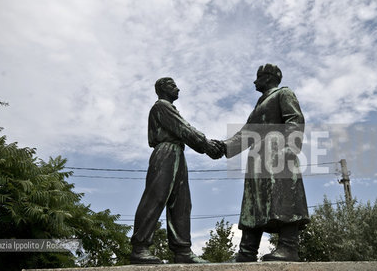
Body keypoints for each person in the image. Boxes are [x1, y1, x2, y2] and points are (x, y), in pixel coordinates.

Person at [130, 77, 223, 264]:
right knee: (155, 198)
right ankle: (140, 247)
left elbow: (184, 130)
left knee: (181, 203)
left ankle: (182, 250)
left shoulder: (168, 108)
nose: (178, 89)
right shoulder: (161, 107)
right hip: (165, 152)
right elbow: (183, 129)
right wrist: (207, 145)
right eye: (173, 86)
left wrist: (205, 145)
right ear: (162, 89)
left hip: (177, 153)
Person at [223, 63, 310, 262]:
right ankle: (247, 251)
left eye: (258, 77)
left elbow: (295, 119)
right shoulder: (259, 106)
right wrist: (221, 147)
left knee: (284, 198)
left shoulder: (284, 93)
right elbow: (245, 134)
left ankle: (288, 248)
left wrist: (291, 147)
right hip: (258, 157)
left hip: (279, 153)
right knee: (254, 203)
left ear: (269, 77)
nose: (255, 81)